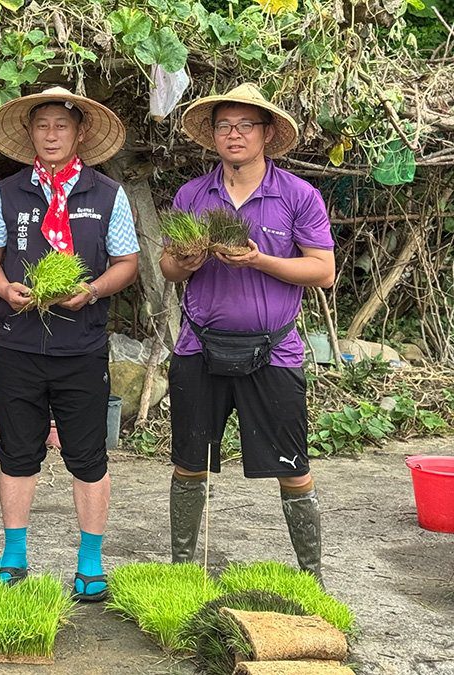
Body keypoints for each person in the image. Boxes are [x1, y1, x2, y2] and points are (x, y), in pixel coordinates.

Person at [163, 83, 334, 581]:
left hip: (274, 351)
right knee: (190, 462)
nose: (233, 135)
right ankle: (181, 571)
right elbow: (170, 268)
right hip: (198, 348)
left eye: (245, 126)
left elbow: (322, 270)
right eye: (224, 126)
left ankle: (311, 577)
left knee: (293, 466)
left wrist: (260, 259)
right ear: (213, 136)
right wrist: (186, 260)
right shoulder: (193, 195)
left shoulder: (298, 196)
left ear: (266, 133)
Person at [0, 87, 139, 600]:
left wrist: (90, 290)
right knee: (16, 453)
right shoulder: (8, 192)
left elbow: (127, 264)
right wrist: (4, 288)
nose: (50, 134)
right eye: (41, 125)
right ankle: (14, 555)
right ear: (29, 134)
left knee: (88, 456)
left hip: (82, 347)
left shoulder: (107, 194)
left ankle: (90, 563)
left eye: (60, 126)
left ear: (79, 133)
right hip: (20, 343)